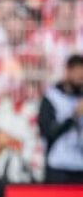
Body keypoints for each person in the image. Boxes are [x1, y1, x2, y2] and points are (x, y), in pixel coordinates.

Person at [38, 55, 83, 183]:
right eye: (78, 74)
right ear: (68, 72)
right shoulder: (52, 98)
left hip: (80, 165)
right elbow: (48, 131)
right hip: (58, 166)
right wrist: (73, 117)